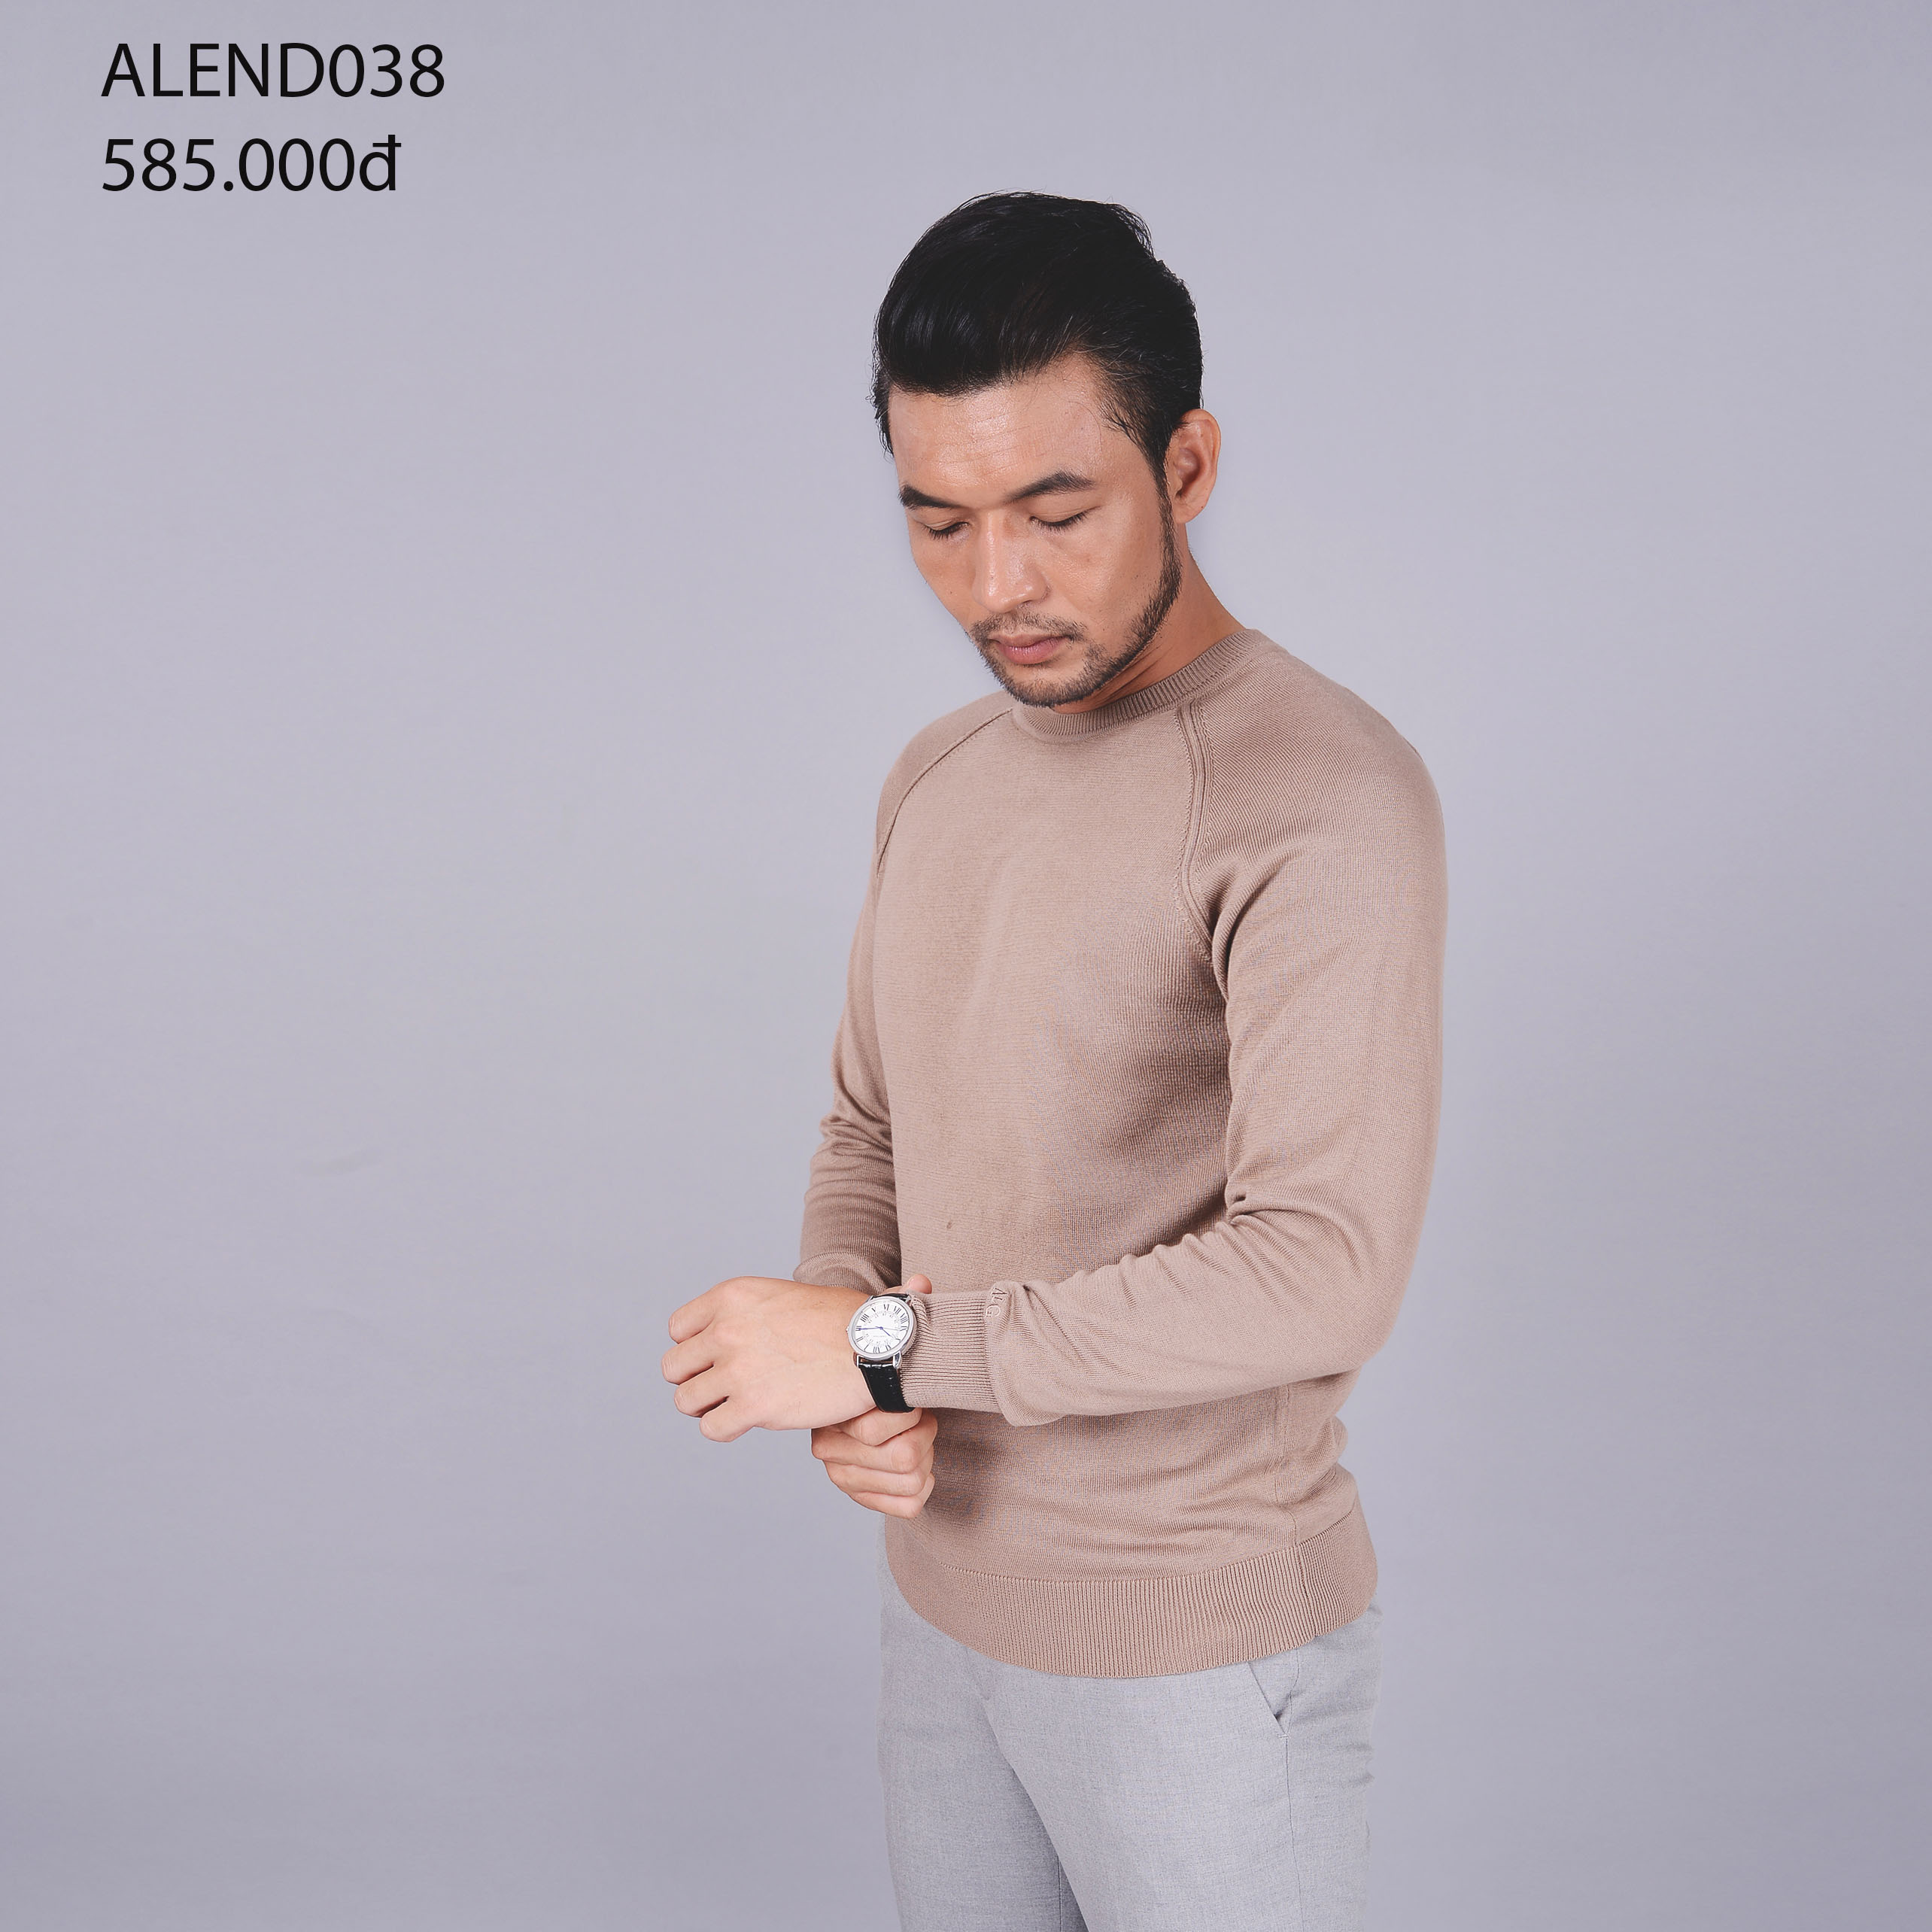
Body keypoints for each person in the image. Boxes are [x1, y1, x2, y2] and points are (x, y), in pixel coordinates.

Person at [662, 192, 1446, 1932]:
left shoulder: (1320, 796)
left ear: (1188, 465)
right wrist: (857, 1364)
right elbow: (873, 1124)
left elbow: (1322, 1268)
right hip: (943, 1623)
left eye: (1056, 511)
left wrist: (880, 1345)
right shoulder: (941, 771)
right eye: (937, 522)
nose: (994, 585)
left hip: (1200, 1661)